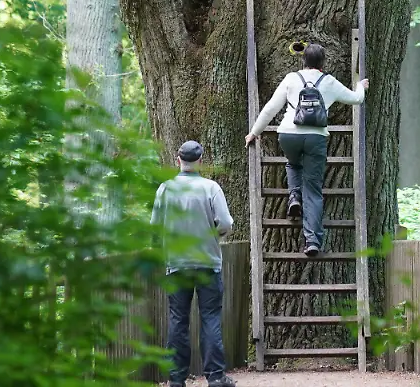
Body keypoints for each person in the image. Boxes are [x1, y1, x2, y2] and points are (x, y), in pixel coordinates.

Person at [244, 43, 367, 257]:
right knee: (313, 189)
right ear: (323, 62)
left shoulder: (291, 79)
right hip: (315, 137)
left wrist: (254, 132)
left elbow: (271, 108)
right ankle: (312, 241)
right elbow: (356, 99)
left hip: (288, 135)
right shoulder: (329, 82)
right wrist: (360, 86)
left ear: (303, 60)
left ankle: (294, 197)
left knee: (292, 163)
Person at [150, 141, 237, 387]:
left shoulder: (166, 189)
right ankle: (216, 377)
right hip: (208, 263)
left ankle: (176, 380)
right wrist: (214, 236)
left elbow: (155, 226)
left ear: (178, 160)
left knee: (178, 319)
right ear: (200, 161)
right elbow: (226, 224)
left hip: (177, 264)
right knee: (210, 317)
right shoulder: (211, 187)